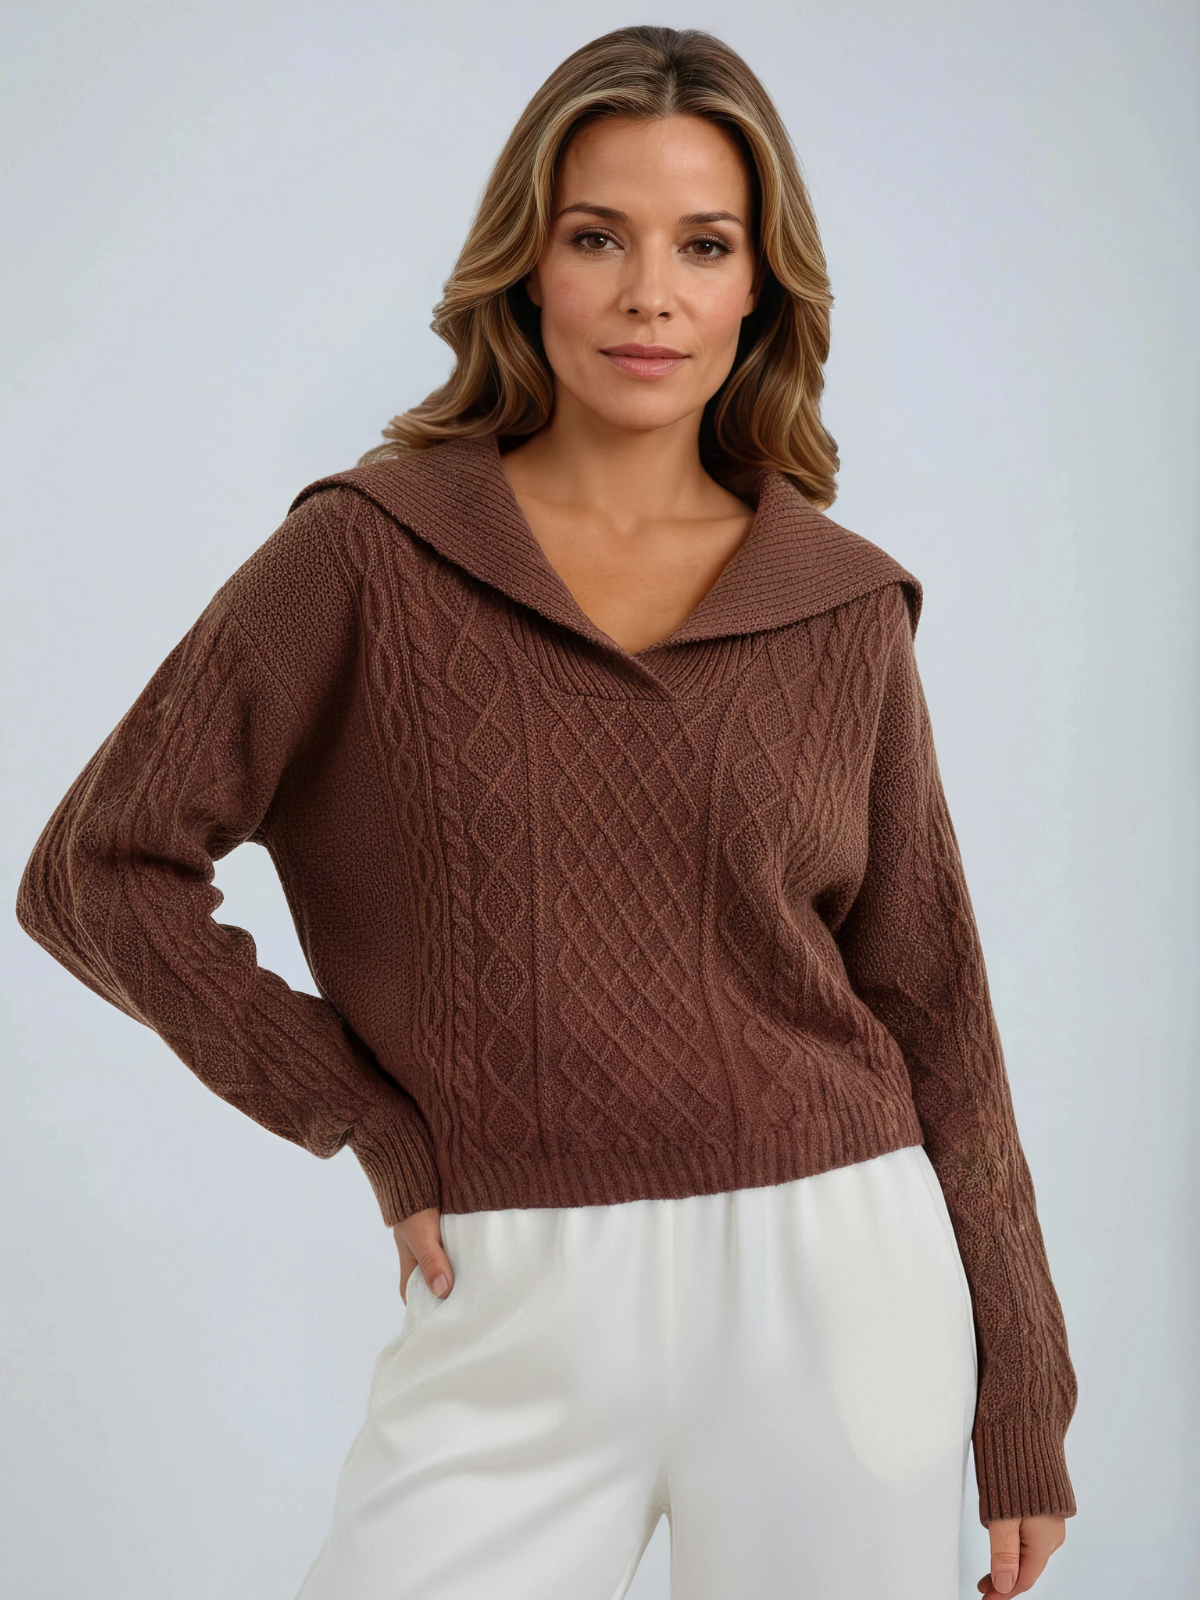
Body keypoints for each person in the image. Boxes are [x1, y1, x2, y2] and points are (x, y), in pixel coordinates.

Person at [14, 24, 1077, 1600]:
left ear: (759, 287)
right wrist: (357, 1111)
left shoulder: (840, 605)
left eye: (703, 244)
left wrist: (1024, 1395)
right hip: (509, 1292)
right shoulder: (367, 554)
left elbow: (934, 1005)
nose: (651, 293)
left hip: (839, 1275)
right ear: (527, 266)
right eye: (598, 237)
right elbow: (97, 871)